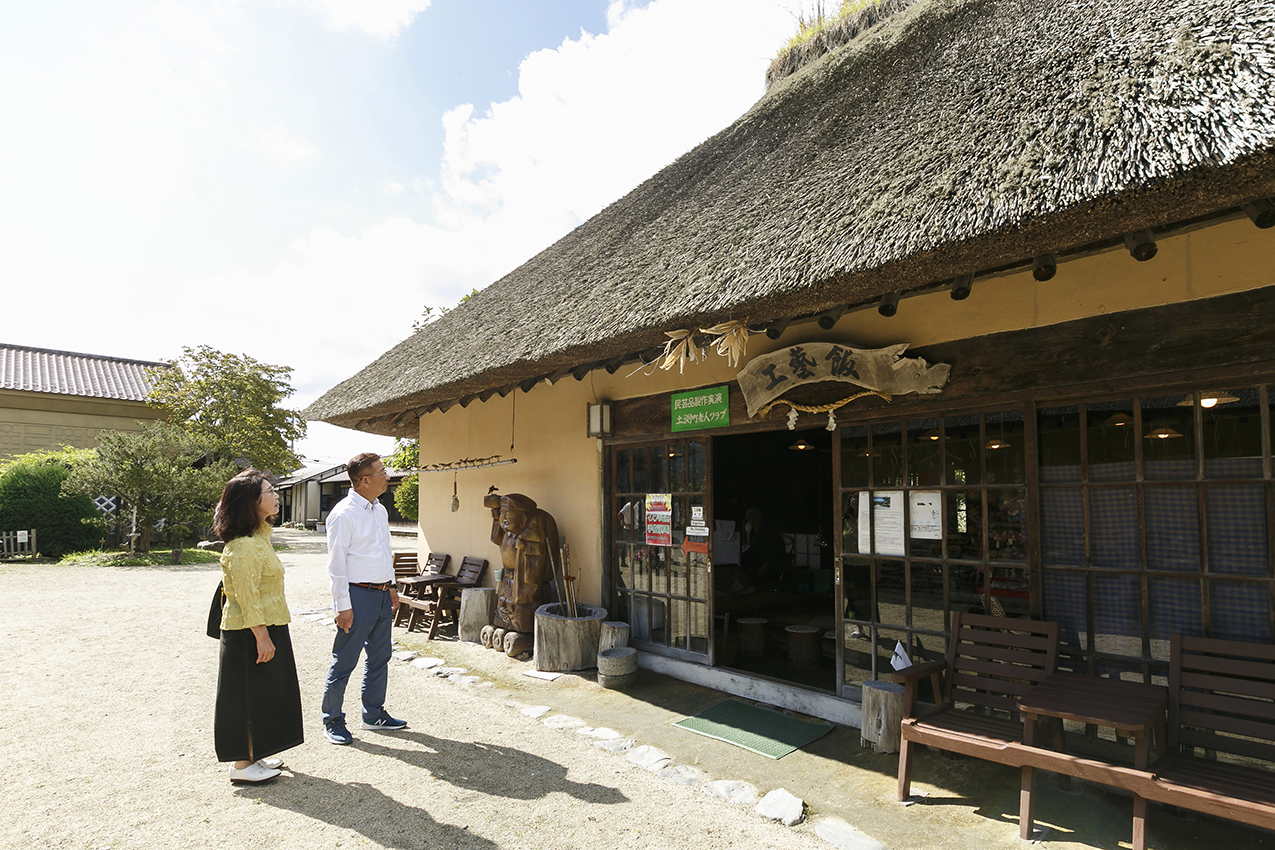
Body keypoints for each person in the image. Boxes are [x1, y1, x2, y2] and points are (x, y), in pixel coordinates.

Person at [213, 468, 303, 784]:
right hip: (250, 631)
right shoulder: (244, 546)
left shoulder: (260, 538)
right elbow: (247, 597)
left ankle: (255, 753)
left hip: (268, 624)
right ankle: (241, 764)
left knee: (265, 694)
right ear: (251, 501)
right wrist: (262, 637)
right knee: (246, 697)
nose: (276, 496)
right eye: (269, 491)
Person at [320, 453, 406, 745]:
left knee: (381, 656)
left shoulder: (379, 510)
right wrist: (342, 606)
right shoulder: (344, 514)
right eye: (382, 472)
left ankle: (373, 713)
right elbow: (336, 565)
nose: (388, 476)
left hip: (381, 594)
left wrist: (392, 585)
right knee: (345, 660)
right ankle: (332, 719)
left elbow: (384, 550)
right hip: (357, 595)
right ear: (365, 480)